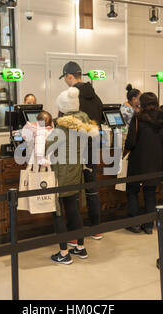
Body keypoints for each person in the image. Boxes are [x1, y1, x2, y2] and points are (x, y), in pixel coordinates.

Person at [46, 87, 99, 264]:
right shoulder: (84, 126)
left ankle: (63, 253)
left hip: (60, 173)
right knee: (74, 209)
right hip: (76, 171)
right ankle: (80, 248)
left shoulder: (59, 128)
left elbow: (47, 149)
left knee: (58, 211)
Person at [60, 61, 103, 241]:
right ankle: (96, 227)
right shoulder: (96, 97)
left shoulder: (71, 97)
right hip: (92, 147)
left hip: (75, 150)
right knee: (91, 188)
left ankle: (74, 232)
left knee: (73, 191)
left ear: (70, 76)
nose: (64, 82)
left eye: (64, 78)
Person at [123, 92, 163, 234]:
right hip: (156, 160)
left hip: (139, 160)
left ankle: (134, 223)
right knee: (150, 192)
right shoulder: (161, 117)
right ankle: (148, 225)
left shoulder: (137, 118)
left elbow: (131, 142)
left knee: (133, 190)